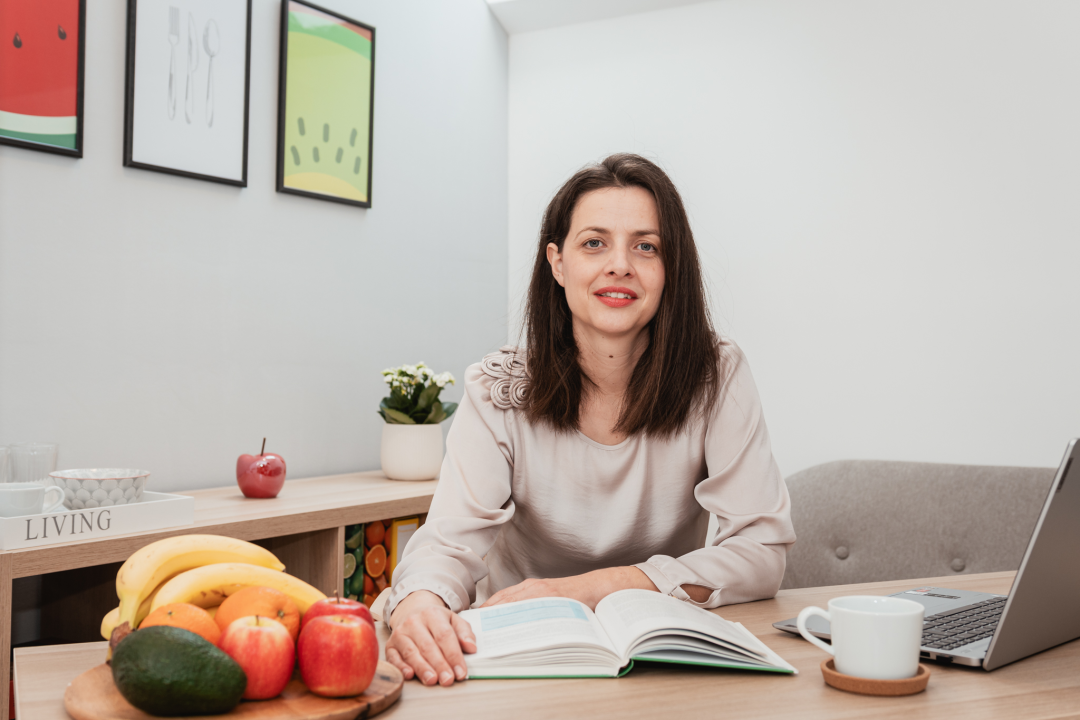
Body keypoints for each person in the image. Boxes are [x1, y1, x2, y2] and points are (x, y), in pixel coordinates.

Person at [384, 153, 795, 686]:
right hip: (518, 658)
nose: (619, 265)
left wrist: (596, 586)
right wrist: (419, 603)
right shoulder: (496, 388)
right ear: (557, 263)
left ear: (671, 268)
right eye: (594, 243)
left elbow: (761, 551)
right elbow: (447, 543)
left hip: (661, 659)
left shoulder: (716, 375)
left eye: (646, 246)